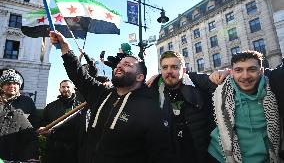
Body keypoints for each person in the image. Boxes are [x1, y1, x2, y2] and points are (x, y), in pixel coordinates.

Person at [49, 31, 174, 163]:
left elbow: (161, 155)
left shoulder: (150, 110)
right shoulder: (102, 93)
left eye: (127, 65)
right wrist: (64, 46)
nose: (119, 66)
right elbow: (79, 74)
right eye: (119, 64)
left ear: (140, 77)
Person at [206, 50, 282, 162]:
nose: (245, 76)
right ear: (231, 73)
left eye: (251, 69)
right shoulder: (219, 89)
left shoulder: (275, 88)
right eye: (238, 70)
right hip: (220, 157)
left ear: (261, 71)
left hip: (266, 158)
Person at [148, 51, 216, 163]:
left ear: (183, 70)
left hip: (199, 155)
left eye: (174, 67)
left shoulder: (197, 83)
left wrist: (225, 72)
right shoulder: (154, 89)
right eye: (165, 67)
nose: (169, 71)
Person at [0, 69, 39, 161]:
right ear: (1, 86)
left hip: (20, 154)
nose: (12, 86)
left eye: (15, 83)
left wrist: (31, 156)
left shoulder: (27, 101)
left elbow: (33, 129)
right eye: (8, 83)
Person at [40, 79, 81, 163]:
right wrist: (43, 129)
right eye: (63, 87)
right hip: (53, 149)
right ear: (59, 89)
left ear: (73, 89)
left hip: (72, 150)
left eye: (68, 87)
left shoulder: (80, 107)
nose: (65, 89)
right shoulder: (50, 106)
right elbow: (43, 123)